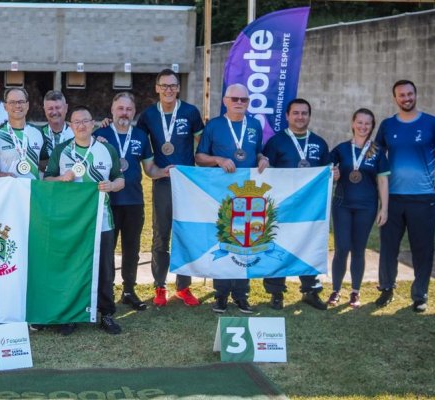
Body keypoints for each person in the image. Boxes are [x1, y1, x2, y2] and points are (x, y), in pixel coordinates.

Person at [45, 106, 125, 335]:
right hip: (71, 221)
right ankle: (71, 314)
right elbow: (47, 179)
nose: (81, 125)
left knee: (105, 268)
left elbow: (121, 179)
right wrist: (61, 178)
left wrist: (111, 186)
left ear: (93, 124)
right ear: (70, 126)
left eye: (85, 121)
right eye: (76, 122)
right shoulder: (61, 151)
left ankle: (106, 313)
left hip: (102, 221)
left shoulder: (106, 149)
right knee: (72, 266)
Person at [374, 80, 435, 312]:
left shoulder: (432, 123)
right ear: (394, 98)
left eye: (410, 94)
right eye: (401, 95)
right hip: (393, 198)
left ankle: (420, 295)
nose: (406, 98)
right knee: (388, 247)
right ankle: (386, 288)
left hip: (423, 198)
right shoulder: (387, 125)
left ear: (416, 94)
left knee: (422, 248)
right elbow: (376, 156)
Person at [195, 83, 269, 314]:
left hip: (248, 195)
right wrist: (217, 160)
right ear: (225, 101)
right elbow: (199, 157)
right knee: (225, 241)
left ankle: (241, 295)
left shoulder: (255, 125)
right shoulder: (214, 126)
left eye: (244, 100)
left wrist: (262, 157)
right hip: (221, 194)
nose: (239, 103)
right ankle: (220, 295)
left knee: (246, 241)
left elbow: (256, 151)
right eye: (235, 99)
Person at [93, 92, 170, 311]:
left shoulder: (139, 136)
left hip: (134, 201)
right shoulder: (101, 134)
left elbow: (149, 169)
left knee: (131, 249)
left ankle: (129, 291)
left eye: (128, 109)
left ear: (134, 112)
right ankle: (106, 291)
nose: (124, 113)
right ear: (112, 110)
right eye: (120, 108)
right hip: (107, 202)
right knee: (107, 249)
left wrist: (163, 172)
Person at [136, 68, 204, 307]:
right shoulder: (147, 116)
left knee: (184, 233)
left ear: (178, 88)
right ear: (157, 88)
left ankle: (184, 287)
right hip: (162, 181)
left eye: (173, 85)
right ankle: (160, 286)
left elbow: (203, 144)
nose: (168, 90)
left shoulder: (190, 112)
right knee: (161, 235)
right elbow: (135, 139)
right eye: (164, 86)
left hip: (187, 184)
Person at [260, 98, 330, 311]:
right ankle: (276, 293)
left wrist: (333, 174)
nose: (300, 117)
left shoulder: (319, 143)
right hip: (282, 205)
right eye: (296, 113)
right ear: (287, 116)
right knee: (277, 247)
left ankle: (310, 290)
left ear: (309, 116)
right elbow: (266, 172)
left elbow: (327, 171)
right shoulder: (276, 142)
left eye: (304, 113)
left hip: (310, 208)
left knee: (310, 244)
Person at [329, 108, 390, 309]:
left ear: (372, 126)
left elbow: (382, 181)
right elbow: (326, 170)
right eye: (360, 122)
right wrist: (333, 173)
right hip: (342, 205)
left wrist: (384, 208)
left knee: (358, 249)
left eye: (368, 123)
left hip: (367, 207)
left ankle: (355, 292)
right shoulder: (341, 149)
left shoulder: (377, 151)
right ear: (353, 123)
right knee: (342, 248)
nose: (363, 127)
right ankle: (336, 290)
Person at [0, 87, 48, 179]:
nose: (17, 106)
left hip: (32, 190)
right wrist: (1, 175)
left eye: (21, 102)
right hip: (6, 190)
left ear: (27, 105)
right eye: (12, 102)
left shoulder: (38, 132)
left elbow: (45, 163)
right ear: (5, 106)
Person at [38, 90, 74, 156]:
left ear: (66, 108)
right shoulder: (37, 134)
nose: (54, 112)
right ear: (44, 110)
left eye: (58, 108)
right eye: (50, 108)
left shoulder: (76, 133)